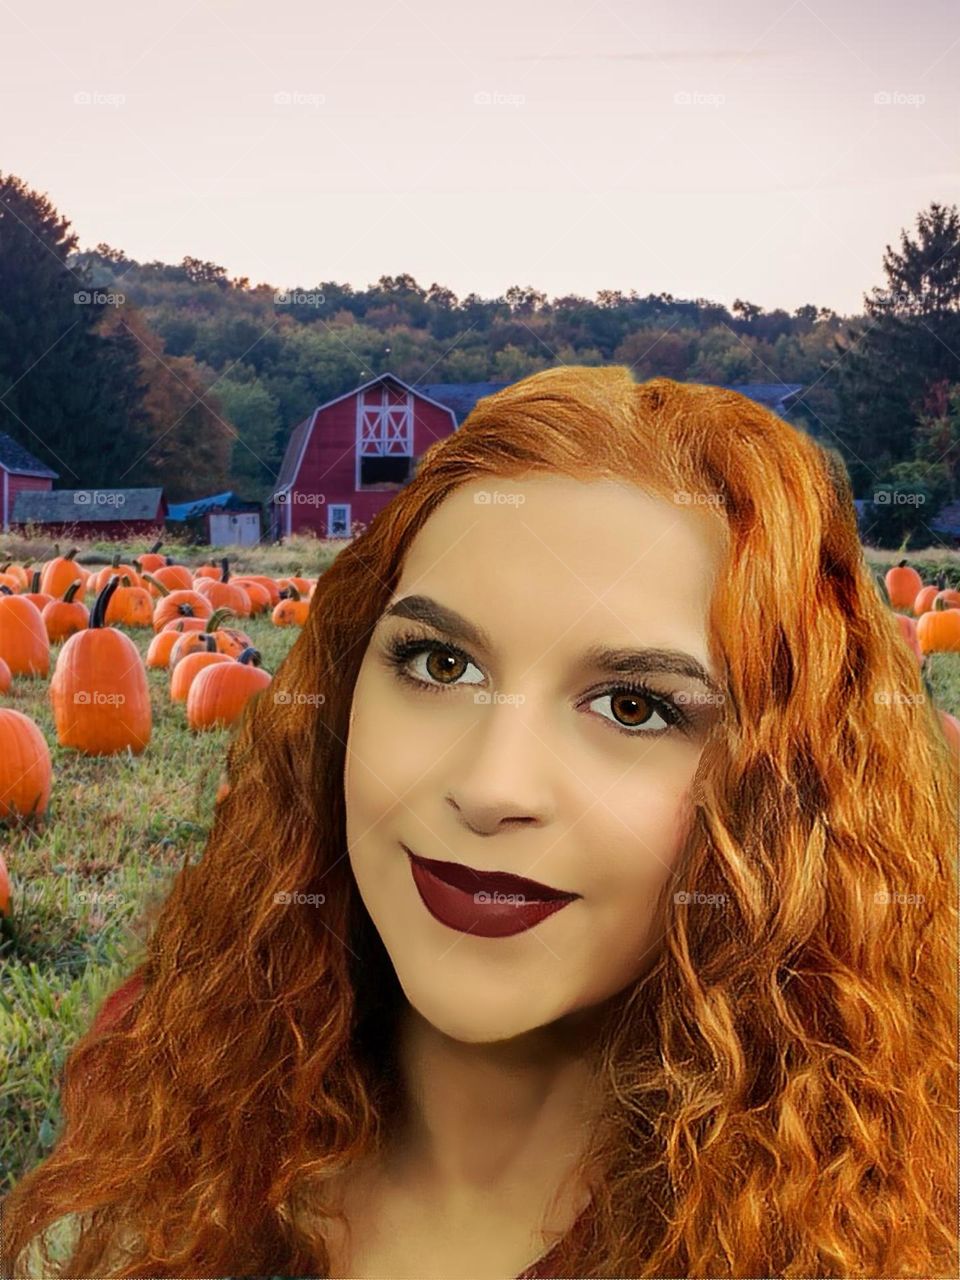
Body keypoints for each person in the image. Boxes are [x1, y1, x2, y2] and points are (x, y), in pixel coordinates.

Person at [2, 366, 957, 1279]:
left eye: (634, 706)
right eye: (440, 666)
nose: (492, 788)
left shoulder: (866, 1226)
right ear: (343, 690)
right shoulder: (165, 1072)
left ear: (785, 790)